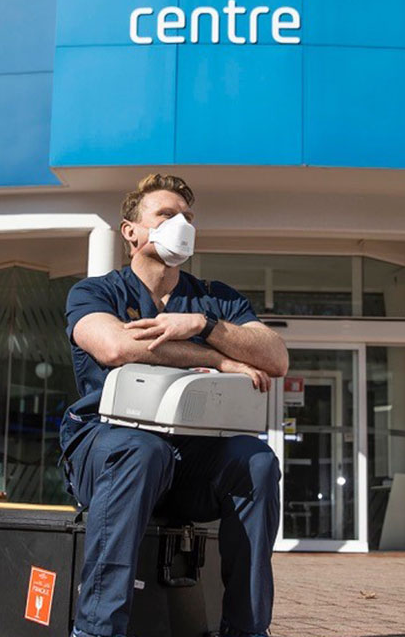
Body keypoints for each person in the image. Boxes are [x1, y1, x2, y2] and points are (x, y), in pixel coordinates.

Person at [60, 173, 289, 637]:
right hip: (107, 451)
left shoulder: (215, 300)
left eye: (187, 216)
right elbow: (115, 347)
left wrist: (204, 325)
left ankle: (247, 629)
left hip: (190, 461)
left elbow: (276, 358)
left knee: (257, 460)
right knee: (142, 450)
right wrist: (219, 360)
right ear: (131, 232)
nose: (180, 224)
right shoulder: (95, 292)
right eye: (165, 215)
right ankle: (96, 630)